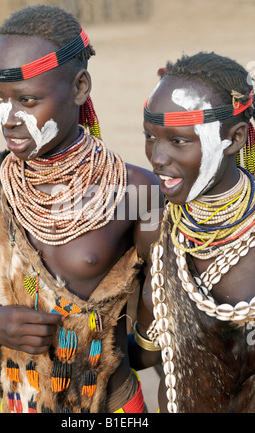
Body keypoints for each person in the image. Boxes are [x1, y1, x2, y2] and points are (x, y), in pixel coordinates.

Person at [0, 5, 162, 413]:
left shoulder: (136, 192)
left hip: (112, 405)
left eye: (27, 99)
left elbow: (160, 331)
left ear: (79, 87)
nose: (8, 118)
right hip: (22, 403)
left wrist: (90, 356)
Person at [138, 51, 255, 412]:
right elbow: (144, 354)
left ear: (234, 139)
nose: (156, 157)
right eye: (150, 136)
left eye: (178, 141)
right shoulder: (153, 228)